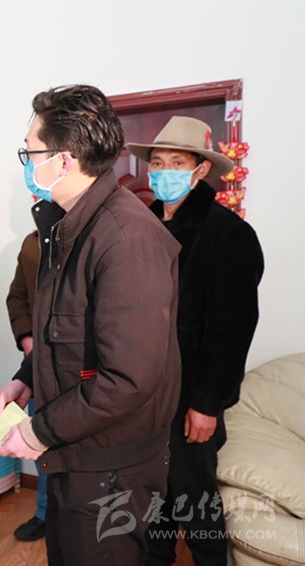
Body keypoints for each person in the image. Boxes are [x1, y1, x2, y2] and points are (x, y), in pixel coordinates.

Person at [0, 84, 182, 565]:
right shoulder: (71, 227)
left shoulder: (125, 239)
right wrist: (26, 379)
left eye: (30, 153)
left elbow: (127, 379)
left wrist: (38, 431)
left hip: (110, 472)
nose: (27, 165)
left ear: (64, 160)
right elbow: (63, 331)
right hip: (77, 457)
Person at [125, 116, 264, 566]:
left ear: (201, 169)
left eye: (176, 163)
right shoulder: (142, 226)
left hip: (191, 397)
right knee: (153, 496)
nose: (163, 172)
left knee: (195, 498)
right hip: (144, 393)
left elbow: (232, 330)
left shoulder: (229, 234)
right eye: (157, 163)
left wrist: (206, 404)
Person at [5, 229, 47, 542]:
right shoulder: (32, 243)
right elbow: (17, 297)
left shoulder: (96, 234)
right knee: (40, 436)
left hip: (84, 369)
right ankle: (45, 513)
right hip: (38, 367)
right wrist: (26, 339)